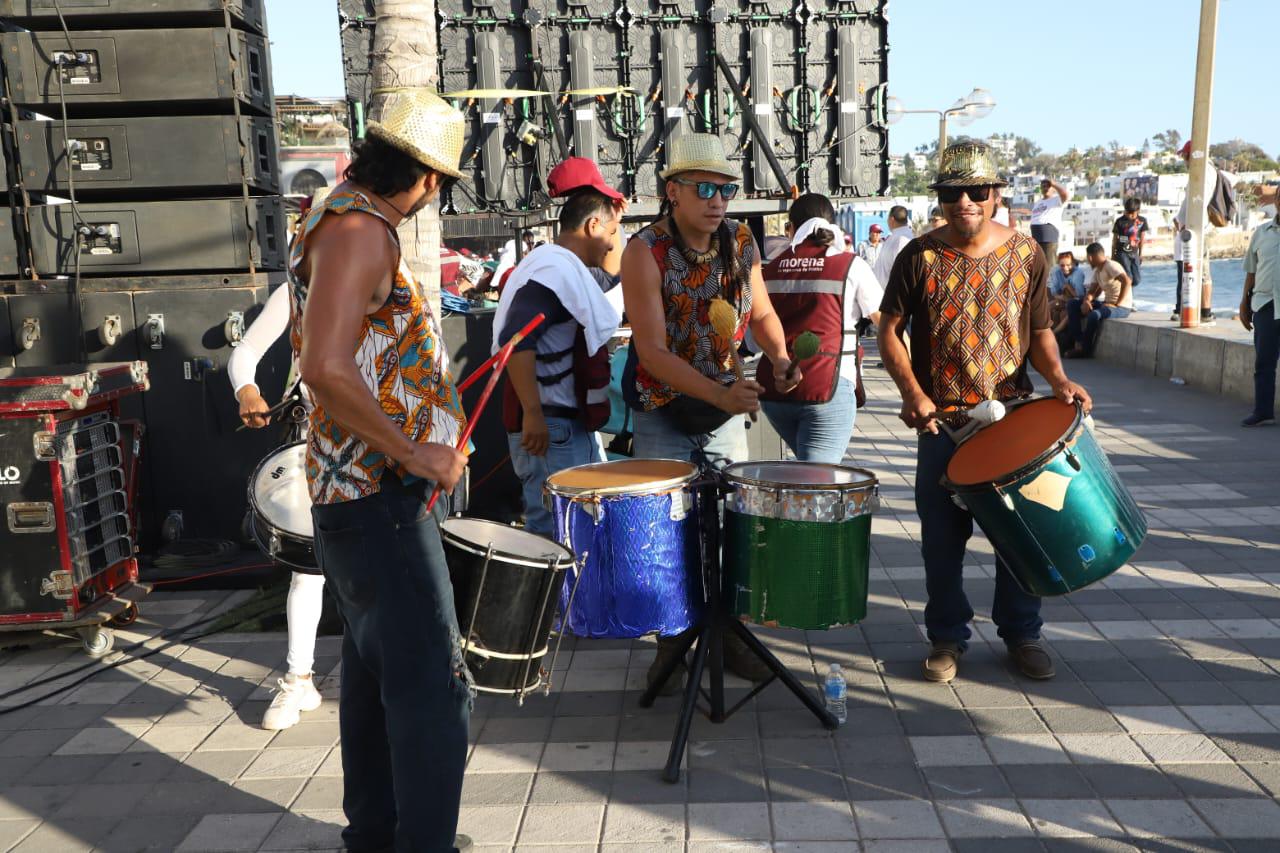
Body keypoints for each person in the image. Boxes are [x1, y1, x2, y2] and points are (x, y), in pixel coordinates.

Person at [291, 89, 472, 853]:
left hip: (359, 494)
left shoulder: (336, 216)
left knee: (373, 679)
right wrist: (414, 450)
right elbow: (326, 367)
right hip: (378, 494)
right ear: (429, 178)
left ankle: (377, 835)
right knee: (436, 691)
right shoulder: (363, 230)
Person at [878, 142, 1091, 685]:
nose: (965, 203)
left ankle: (1023, 634)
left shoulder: (1026, 254)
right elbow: (888, 330)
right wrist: (911, 394)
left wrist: (1060, 380)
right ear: (941, 200)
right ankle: (947, 637)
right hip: (943, 424)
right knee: (941, 542)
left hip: (1013, 419)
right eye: (952, 193)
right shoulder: (918, 256)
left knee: (1020, 534)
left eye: (977, 192)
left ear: (996, 195)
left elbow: (1041, 331)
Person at [621, 132, 799, 693]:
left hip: (723, 408)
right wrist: (720, 395)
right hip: (664, 407)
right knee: (666, 533)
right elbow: (651, 351)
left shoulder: (741, 240)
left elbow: (763, 312)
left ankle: (729, 636)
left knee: (733, 526)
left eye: (725, 188)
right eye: (704, 188)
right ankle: (672, 645)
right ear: (672, 192)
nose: (717, 199)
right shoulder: (643, 250)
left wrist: (781, 356)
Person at [495, 158, 625, 534]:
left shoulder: (561, 268)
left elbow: (611, 273)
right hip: (551, 428)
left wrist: (613, 211)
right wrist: (533, 413)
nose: (612, 244)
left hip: (555, 426)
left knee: (560, 530)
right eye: (611, 233)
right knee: (562, 533)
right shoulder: (554, 271)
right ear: (592, 226)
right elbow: (516, 339)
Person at [229, 287, 328, 732]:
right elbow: (246, 350)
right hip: (314, 446)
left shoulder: (389, 276)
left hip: (377, 448)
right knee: (308, 570)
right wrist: (247, 389)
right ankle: (298, 679)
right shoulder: (298, 289)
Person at [759, 193, 883, 463]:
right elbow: (884, 322)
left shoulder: (768, 270)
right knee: (817, 483)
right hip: (829, 389)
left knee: (807, 470)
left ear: (791, 228)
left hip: (774, 391)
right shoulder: (851, 265)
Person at [1238, 207, 1280, 427]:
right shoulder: (1262, 233)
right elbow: (1251, 271)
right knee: (1264, 362)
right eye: (1279, 197)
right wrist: (1244, 303)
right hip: (1264, 304)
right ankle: (1263, 411)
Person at [1173, 140, 1219, 322]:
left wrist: (1187, 223)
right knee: (1193, 271)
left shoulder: (1205, 172)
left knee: (1202, 271)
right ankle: (1194, 309)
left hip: (1200, 229)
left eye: (1185, 155)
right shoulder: (1199, 172)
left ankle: (1205, 311)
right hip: (1191, 229)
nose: (1184, 159)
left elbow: (1200, 201)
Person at [1063, 243, 1133, 359]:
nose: (1088, 260)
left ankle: (1085, 350)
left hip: (1122, 308)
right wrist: (1087, 301)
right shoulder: (1098, 271)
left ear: (1090, 257)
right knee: (1072, 304)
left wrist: (1117, 304)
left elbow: (1127, 281)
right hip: (1107, 304)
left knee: (1094, 315)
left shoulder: (1111, 266)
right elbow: (1093, 291)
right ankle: (1079, 341)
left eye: (1088, 258)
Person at [1029, 177, 1070, 264]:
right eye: (1043, 186)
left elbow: (1065, 194)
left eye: (1048, 186)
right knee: (1039, 264)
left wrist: (1054, 184)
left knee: (1049, 264)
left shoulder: (1056, 200)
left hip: (1048, 237)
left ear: (1053, 188)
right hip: (1036, 237)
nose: (1045, 188)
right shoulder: (1038, 202)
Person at [1111, 196, 1149, 289]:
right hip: (1122, 253)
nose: (1130, 215)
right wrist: (1113, 255)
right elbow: (1115, 239)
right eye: (1128, 212)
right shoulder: (1120, 221)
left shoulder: (1142, 221)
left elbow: (1142, 238)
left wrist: (1141, 254)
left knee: (1136, 279)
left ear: (1138, 210)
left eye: (1132, 213)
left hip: (1134, 253)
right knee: (1128, 277)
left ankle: (1125, 292)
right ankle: (1127, 299)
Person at [873, 204, 915, 288]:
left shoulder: (902, 240)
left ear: (892, 219)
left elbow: (902, 271)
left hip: (893, 294)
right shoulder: (896, 237)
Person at [1048, 251, 1086, 336]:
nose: (1065, 268)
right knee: (1048, 307)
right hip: (1063, 299)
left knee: (1064, 314)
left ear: (1073, 263)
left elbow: (1080, 295)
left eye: (1068, 265)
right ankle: (1048, 334)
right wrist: (1063, 297)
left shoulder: (1078, 273)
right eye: (1062, 265)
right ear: (1058, 264)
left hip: (1076, 301)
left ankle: (1056, 335)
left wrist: (1068, 287)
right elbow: (1054, 292)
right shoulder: (1056, 272)